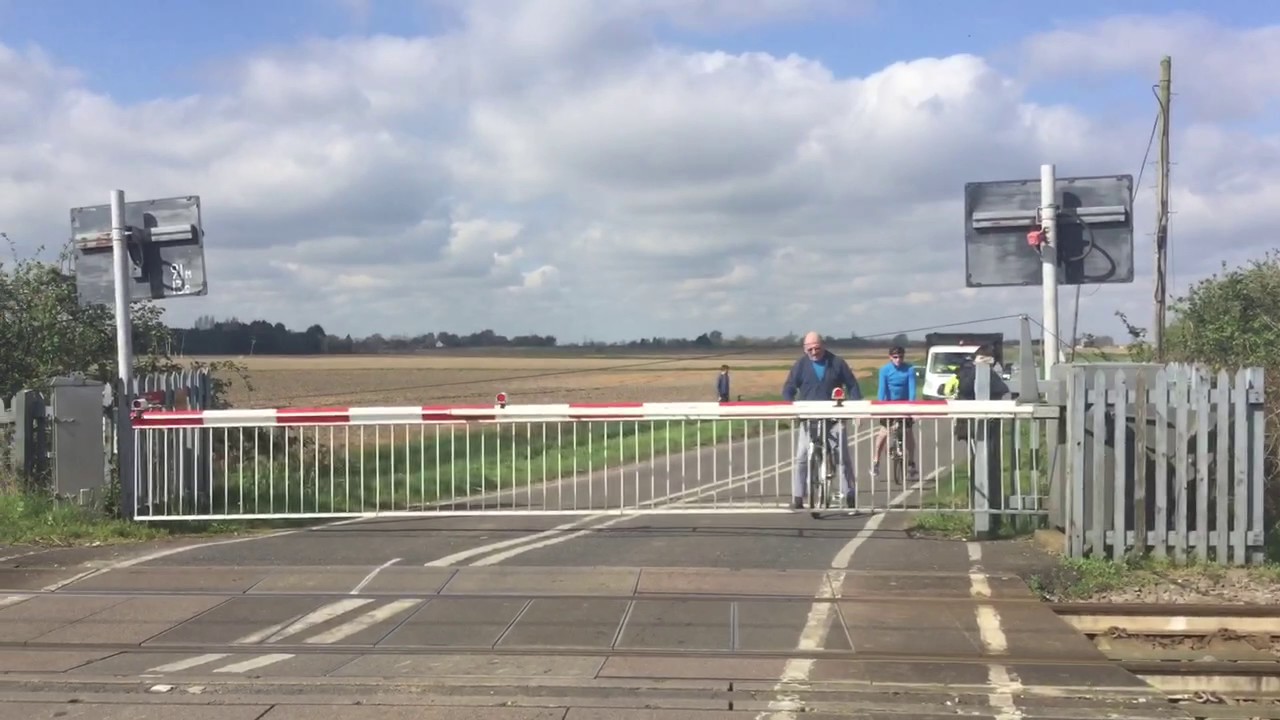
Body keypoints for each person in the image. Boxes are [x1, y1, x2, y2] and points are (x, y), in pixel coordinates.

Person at [780, 331, 861, 509]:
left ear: (823, 346)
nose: (814, 352)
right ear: (804, 349)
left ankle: (849, 493)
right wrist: (789, 405)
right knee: (801, 457)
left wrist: (856, 409)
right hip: (809, 420)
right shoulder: (800, 365)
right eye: (810, 349)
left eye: (817, 348)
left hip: (834, 419)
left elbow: (853, 385)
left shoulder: (837, 363)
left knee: (842, 457)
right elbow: (789, 388)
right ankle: (798, 496)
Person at [872, 346, 919, 483]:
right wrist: (881, 406)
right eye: (895, 357)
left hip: (904, 404)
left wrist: (911, 407)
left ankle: (911, 462)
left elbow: (912, 389)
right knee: (883, 432)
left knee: (909, 432)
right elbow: (882, 389)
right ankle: (876, 461)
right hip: (889, 404)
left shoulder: (909, 369)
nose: (898, 360)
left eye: (901, 357)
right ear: (890, 358)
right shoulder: (885, 370)